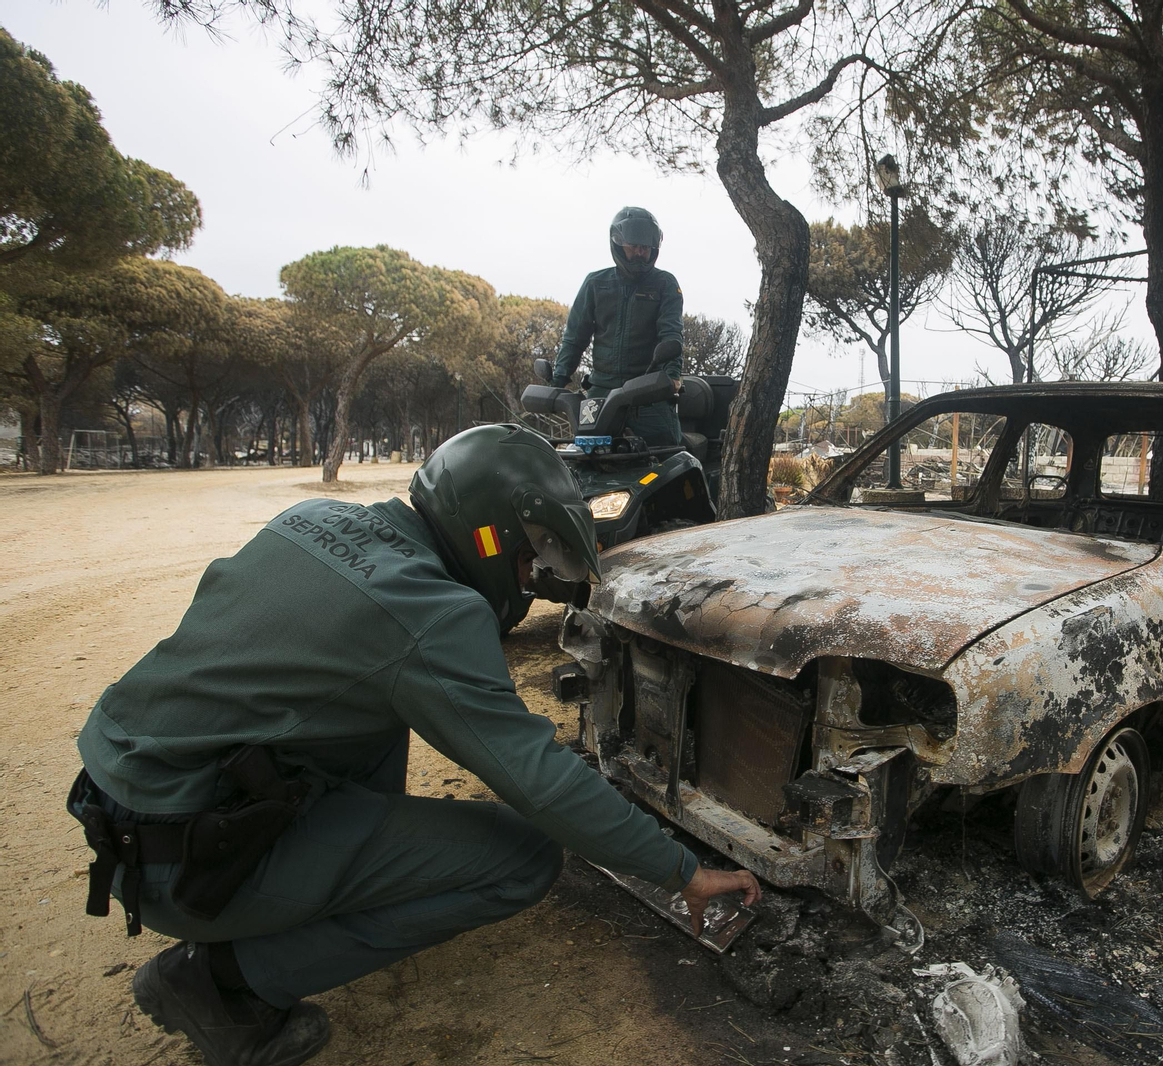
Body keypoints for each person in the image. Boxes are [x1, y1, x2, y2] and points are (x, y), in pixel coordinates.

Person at [66, 424, 760, 1066]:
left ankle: (314, 886)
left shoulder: (315, 520)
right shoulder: (429, 614)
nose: (529, 575)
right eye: (530, 554)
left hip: (126, 810)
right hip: (192, 868)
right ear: (488, 530)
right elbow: (537, 778)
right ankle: (221, 981)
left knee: (373, 711)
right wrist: (679, 871)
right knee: (521, 858)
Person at [552, 206, 685, 446]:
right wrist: (558, 381)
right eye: (634, 246)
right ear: (618, 243)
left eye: (646, 247)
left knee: (670, 454)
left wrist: (672, 375)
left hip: (648, 392)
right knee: (582, 456)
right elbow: (575, 337)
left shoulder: (664, 283)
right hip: (601, 393)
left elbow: (671, 334)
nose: (640, 252)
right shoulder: (596, 283)